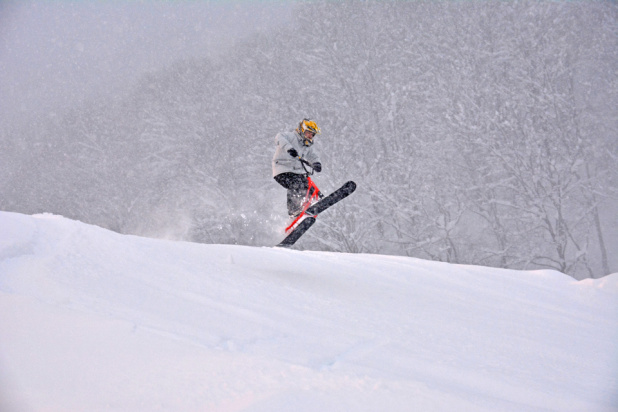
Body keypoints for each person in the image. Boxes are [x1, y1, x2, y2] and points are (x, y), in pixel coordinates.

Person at [272, 118, 323, 217]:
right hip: (282, 169)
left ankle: (307, 206)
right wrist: (289, 148)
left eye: (312, 135)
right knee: (296, 184)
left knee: (307, 185)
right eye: (308, 133)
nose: (310, 136)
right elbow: (279, 137)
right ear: (302, 130)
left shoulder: (306, 146)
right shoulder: (291, 137)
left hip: (296, 171)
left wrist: (317, 163)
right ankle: (294, 210)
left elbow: (313, 156)